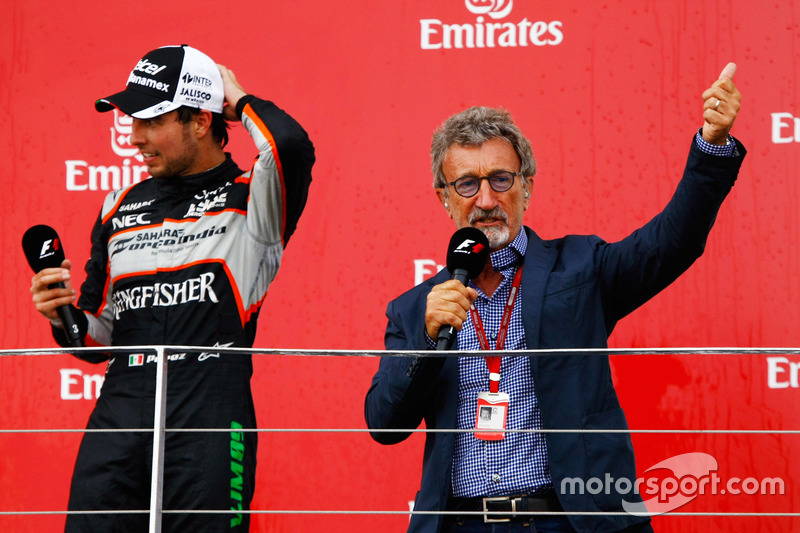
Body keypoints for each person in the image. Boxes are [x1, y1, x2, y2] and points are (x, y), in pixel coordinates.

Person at [365, 63, 744, 533]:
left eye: (501, 179)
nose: (485, 199)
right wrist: (425, 337)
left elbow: (672, 243)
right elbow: (384, 424)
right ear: (444, 198)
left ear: (526, 186)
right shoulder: (415, 308)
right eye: (467, 184)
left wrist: (713, 144)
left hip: (568, 522)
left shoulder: (582, 266)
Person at [29, 44, 314, 532]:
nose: (135, 136)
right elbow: (96, 342)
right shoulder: (118, 205)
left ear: (200, 121)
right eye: (131, 121)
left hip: (209, 409)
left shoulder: (253, 197)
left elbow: (288, 146)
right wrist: (61, 315)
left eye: (150, 120)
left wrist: (239, 100)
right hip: (121, 409)